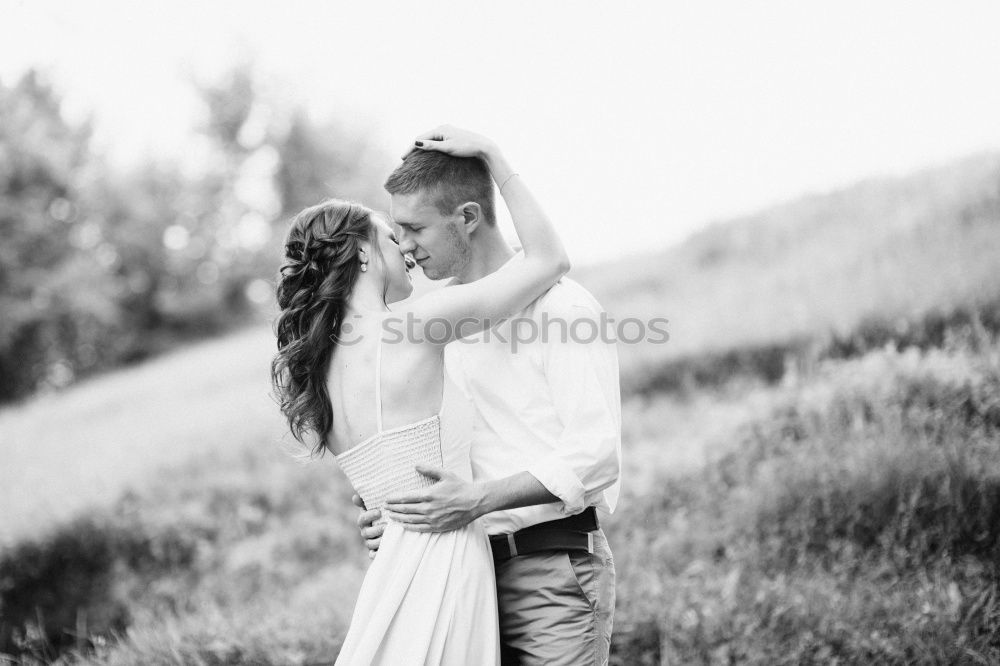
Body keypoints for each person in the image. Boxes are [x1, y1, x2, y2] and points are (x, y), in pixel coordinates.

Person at [270, 126, 569, 665]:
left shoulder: (317, 374)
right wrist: (495, 159)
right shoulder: (414, 326)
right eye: (391, 235)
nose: (405, 247)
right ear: (362, 255)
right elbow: (547, 260)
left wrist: (378, 514)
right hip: (449, 566)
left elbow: (387, 482)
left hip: (391, 574)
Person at [355, 126, 622, 665]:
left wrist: (477, 500)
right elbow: (444, 458)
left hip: (551, 572)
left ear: (469, 218)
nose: (403, 246)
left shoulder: (562, 309)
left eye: (414, 228)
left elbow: (596, 455)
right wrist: (398, 516)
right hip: (461, 581)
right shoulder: (437, 329)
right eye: (396, 231)